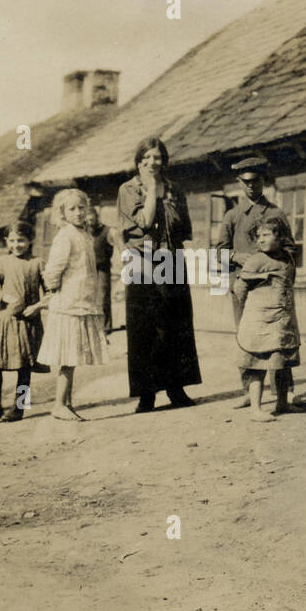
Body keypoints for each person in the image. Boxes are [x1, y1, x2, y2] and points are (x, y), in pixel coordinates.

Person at [118, 136, 201, 413]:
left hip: (172, 260)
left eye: (158, 157)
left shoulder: (176, 190)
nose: (154, 162)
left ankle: (176, 389)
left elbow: (184, 228)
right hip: (141, 263)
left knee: (176, 326)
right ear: (139, 160)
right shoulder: (128, 189)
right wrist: (152, 189)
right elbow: (143, 221)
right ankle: (147, 395)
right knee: (145, 328)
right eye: (148, 157)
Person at [215, 156, 294, 405]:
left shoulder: (276, 213)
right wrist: (238, 256)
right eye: (246, 182)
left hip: (273, 288)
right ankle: (250, 392)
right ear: (239, 183)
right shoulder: (232, 215)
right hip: (245, 287)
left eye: (256, 181)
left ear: (263, 181)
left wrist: (275, 259)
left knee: (278, 336)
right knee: (247, 338)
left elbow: (291, 248)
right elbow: (219, 251)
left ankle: (283, 393)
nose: (251, 186)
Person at [39, 190, 108, 420]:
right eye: (72, 209)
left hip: (83, 301)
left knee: (74, 356)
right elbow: (52, 271)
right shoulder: (65, 236)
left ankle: (66, 402)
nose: (78, 213)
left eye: (81, 207)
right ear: (62, 213)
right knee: (68, 357)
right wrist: (56, 290)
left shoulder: (85, 235)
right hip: (68, 304)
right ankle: (59, 404)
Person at [232, 219, 301, 421]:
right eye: (259, 236)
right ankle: (256, 408)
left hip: (282, 320)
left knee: (280, 362)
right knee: (257, 365)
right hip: (259, 320)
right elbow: (240, 288)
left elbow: (290, 282)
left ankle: (282, 403)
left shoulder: (288, 259)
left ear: (280, 237)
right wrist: (252, 310)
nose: (261, 240)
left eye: (266, 235)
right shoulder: (256, 261)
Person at [0, 221, 47, 421]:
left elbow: (51, 291)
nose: (17, 245)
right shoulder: (2, 262)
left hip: (28, 322)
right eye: (13, 240)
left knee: (25, 368)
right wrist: (4, 297)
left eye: (22, 240)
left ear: (30, 240)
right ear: (6, 242)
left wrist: (37, 306)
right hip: (6, 321)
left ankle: (20, 409)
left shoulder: (37, 263)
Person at [87, 209, 119, 333]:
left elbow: (117, 245)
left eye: (92, 218)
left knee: (102, 297)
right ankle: (92, 327)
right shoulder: (85, 231)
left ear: (97, 217)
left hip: (102, 269)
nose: (90, 221)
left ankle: (105, 327)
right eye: (88, 219)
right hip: (88, 268)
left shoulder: (107, 231)